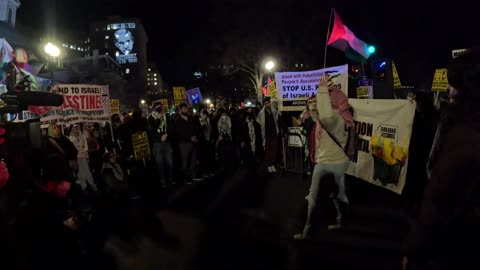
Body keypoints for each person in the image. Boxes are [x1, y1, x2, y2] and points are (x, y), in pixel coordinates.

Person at [402, 49, 480, 270]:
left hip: (454, 247)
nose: (449, 90)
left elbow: (440, 200)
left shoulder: (464, 134)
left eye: (453, 83)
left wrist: (413, 248)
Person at [294, 74, 354, 239]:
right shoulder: (342, 116)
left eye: (327, 99)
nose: (321, 103)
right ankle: (344, 222)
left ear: (332, 103)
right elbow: (318, 118)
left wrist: (322, 90)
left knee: (313, 199)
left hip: (328, 163)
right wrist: (313, 105)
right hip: (338, 162)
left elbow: (326, 116)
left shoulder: (334, 119)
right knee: (339, 195)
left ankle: (309, 231)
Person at [147, 105, 174, 187]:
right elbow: (151, 131)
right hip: (157, 144)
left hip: (167, 142)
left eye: (161, 109)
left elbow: (170, 127)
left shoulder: (166, 116)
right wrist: (158, 119)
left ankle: (170, 179)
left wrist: (166, 135)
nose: (161, 111)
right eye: (159, 110)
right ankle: (163, 180)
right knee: (160, 163)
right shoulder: (151, 118)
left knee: (169, 161)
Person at [175, 103, 201, 183]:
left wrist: (195, 136)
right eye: (184, 109)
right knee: (185, 162)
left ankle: (193, 175)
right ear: (180, 110)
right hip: (184, 143)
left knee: (193, 160)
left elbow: (195, 128)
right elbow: (180, 133)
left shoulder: (190, 118)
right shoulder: (177, 120)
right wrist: (190, 138)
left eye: (186, 108)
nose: (186, 110)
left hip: (193, 142)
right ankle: (186, 178)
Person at [69, 124, 98, 192]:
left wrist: (84, 149)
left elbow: (85, 146)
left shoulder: (81, 136)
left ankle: (88, 185)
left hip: (84, 156)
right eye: (76, 128)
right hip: (78, 157)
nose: (77, 130)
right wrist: (82, 148)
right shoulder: (72, 137)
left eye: (78, 128)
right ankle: (86, 186)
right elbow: (78, 147)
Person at [256, 96, 281, 173]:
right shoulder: (261, 113)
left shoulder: (274, 111)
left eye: (268, 103)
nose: (267, 105)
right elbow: (259, 123)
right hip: (266, 135)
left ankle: (272, 164)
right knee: (267, 151)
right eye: (265, 103)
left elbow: (278, 117)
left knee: (274, 150)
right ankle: (268, 165)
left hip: (274, 134)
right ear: (264, 104)